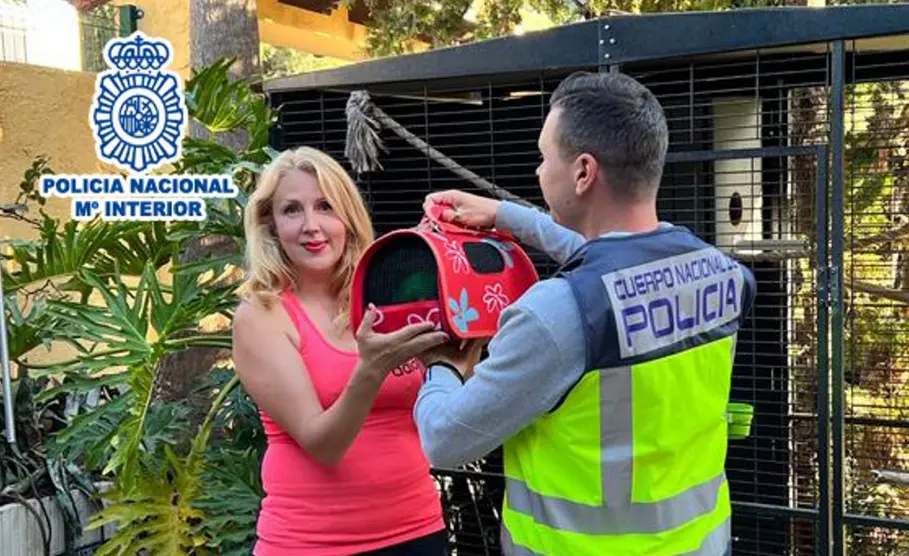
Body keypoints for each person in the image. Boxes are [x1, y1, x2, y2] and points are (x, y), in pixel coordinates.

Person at [410, 71, 757, 555]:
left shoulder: (552, 315)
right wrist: (506, 215)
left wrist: (442, 364)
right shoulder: (723, 274)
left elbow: (445, 439)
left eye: (544, 157)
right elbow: (617, 266)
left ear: (583, 172)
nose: (538, 172)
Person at [231, 146, 451, 556]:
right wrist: (371, 370)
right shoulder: (261, 316)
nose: (311, 226)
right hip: (312, 544)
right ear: (271, 225)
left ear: (348, 217)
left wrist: (467, 349)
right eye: (292, 210)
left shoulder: (385, 295)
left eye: (325, 206)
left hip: (419, 529)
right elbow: (324, 445)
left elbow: (446, 404)